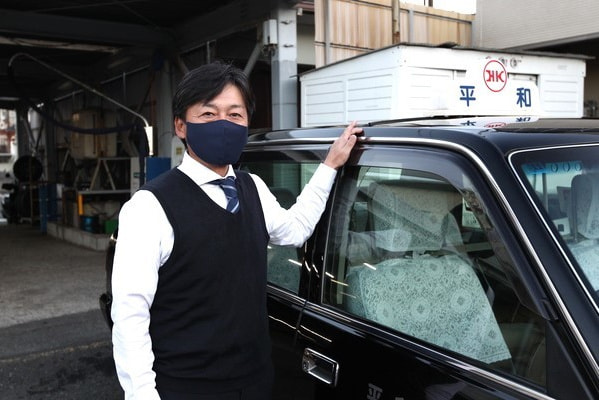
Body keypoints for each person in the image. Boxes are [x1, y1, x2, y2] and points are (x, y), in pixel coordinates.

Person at [111, 61, 362, 400]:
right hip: (187, 388)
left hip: (255, 380)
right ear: (181, 126)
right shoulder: (148, 207)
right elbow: (130, 317)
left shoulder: (252, 186)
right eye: (208, 114)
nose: (224, 124)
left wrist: (329, 165)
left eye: (235, 114)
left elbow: (295, 229)